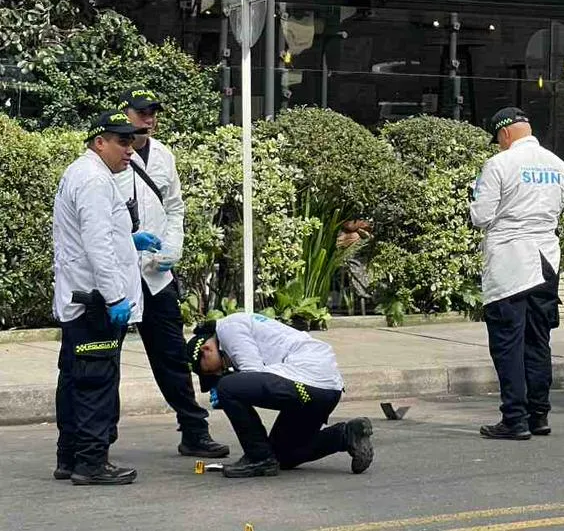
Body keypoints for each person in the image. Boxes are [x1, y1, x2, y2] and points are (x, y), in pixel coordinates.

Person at [115, 87, 228, 458]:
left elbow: (174, 208)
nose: (148, 118)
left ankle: (193, 430)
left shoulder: (164, 155)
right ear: (126, 113)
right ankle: (97, 438)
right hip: (117, 273)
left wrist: (173, 247)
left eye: (153, 112)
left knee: (173, 356)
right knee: (103, 358)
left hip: (156, 273)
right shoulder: (111, 156)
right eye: (142, 111)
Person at [53, 110, 162, 485]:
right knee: (95, 384)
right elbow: (97, 244)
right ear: (99, 142)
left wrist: (129, 243)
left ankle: (69, 458)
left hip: (82, 300)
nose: (129, 150)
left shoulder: (83, 173)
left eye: (131, 141)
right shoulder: (95, 181)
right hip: (96, 302)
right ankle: (91, 463)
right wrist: (116, 297)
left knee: (73, 379)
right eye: (121, 141)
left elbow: (91, 237)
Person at [470, 106, 564, 440]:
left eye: (497, 139)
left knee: (507, 342)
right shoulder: (559, 166)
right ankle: (538, 415)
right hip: (546, 261)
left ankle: (514, 419)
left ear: (504, 133)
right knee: (538, 340)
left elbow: (481, 216)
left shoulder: (500, 164)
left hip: (510, 262)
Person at [186, 313, 374, 478]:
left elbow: (254, 372)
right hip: (324, 391)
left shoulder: (228, 327)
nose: (218, 373)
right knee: (283, 454)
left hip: (308, 382)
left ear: (206, 350)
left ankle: (258, 458)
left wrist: (227, 388)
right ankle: (346, 435)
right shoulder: (240, 332)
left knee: (227, 387)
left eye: (211, 372)